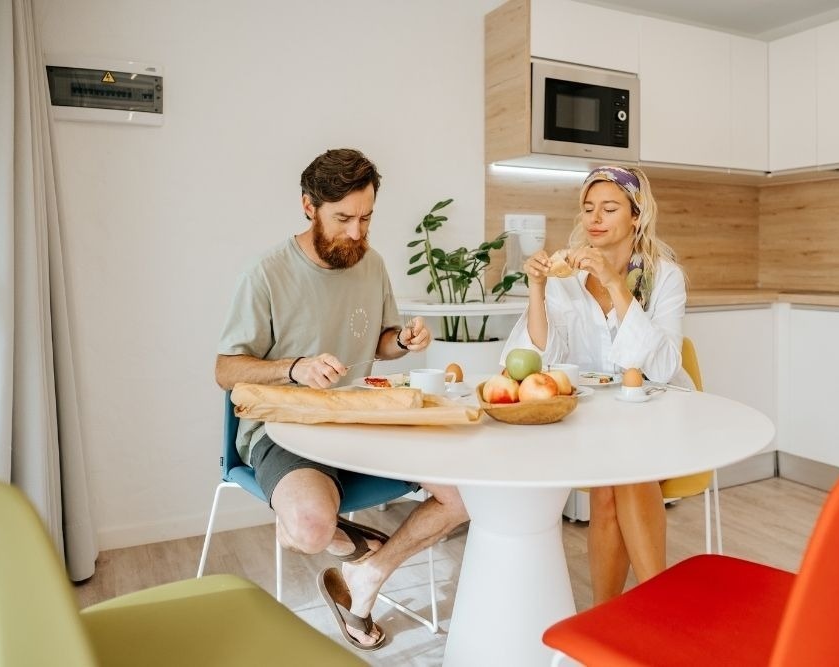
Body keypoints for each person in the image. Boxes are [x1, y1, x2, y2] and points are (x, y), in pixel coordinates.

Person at [215, 148, 468, 650]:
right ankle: (340, 537)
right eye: (343, 218)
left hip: (363, 420)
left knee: (465, 493)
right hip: (285, 430)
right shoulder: (264, 273)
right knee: (309, 529)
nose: (357, 232)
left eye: (367, 218)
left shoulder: (369, 263)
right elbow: (225, 370)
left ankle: (368, 574)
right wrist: (294, 368)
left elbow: (379, 341)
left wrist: (403, 341)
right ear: (309, 207)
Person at [500, 165, 691, 605]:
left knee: (622, 476)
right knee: (610, 483)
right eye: (588, 209)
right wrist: (536, 287)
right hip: (593, 420)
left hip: (656, 416)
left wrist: (612, 282)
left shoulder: (664, 277)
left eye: (609, 208)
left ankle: (644, 609)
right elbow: (536, 361)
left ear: (636, 215)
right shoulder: (565, 279)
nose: (595, 219)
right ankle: (624, 615)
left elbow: (661, 367)